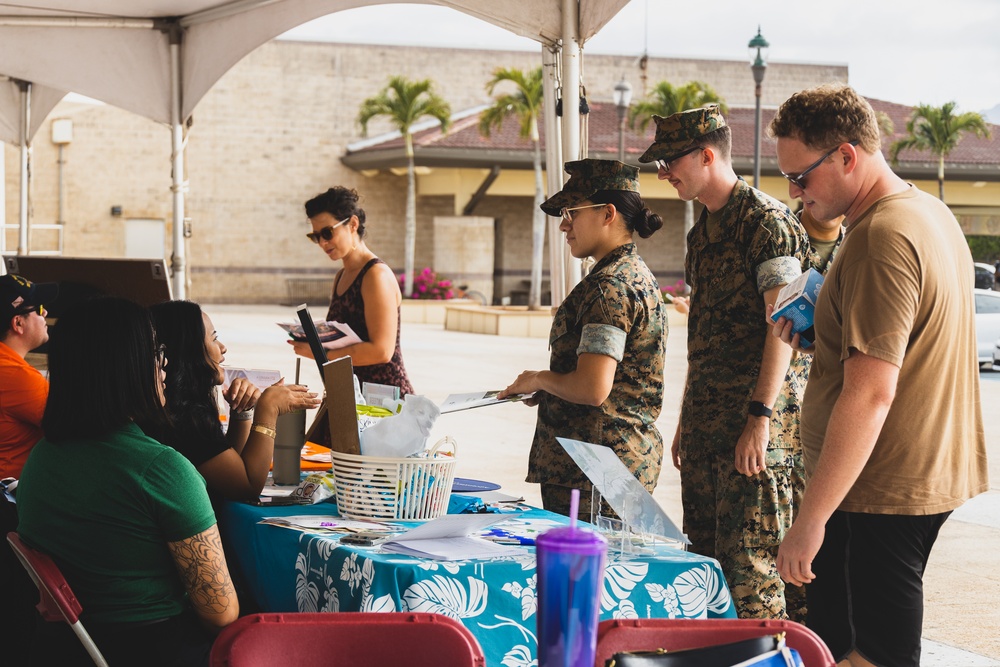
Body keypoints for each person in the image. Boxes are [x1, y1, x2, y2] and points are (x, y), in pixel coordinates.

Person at [768, 84, 988, 667]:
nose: (794, 194)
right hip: (905, 475)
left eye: (802, 177)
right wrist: (828, 335)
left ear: (846, 155)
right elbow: (904, 348)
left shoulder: (879, 239)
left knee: (871, 653)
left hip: (878, 489)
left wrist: (810, 520)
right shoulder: (927, 212)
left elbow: (871, 392)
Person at [637, 105, 809, 619]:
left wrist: (759, 419)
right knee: (706, 572)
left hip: (756, 434)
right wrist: (688, 419)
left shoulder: (766, 223)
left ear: (708, 155)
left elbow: (784, 329)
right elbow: (706, 336)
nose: (663, 173)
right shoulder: (700, 233)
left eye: (671, 161)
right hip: (712, 431)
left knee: (752, 579)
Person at [16, 296, 240, 666]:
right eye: (156, 350)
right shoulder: (163, 471)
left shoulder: (44, 456)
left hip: (68, 647)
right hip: (153, 649)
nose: (165, 363)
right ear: (126, 366)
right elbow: (221, 615)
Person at [497, 159, 667, 517]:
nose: (563, 226)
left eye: (572, 213)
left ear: (608, 213)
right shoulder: (630, 274)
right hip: (607, 465)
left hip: (596, 472)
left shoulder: (610, 287)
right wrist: (551, 387)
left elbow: (593, 388)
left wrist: (539, 378)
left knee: (586, 573)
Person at [148, 300, 321, 502]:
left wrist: (242, 411)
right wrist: (267, 410)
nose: (223, 348)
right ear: (189, 350)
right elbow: (246, 487)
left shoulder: (182, 407)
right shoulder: (183, 418)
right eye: (214, 339)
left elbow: (228, 467)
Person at [770, 206, 845, 624]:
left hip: (829, 427)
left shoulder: (859, 245)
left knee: (819, 567)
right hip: (783, 426)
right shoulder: (781, 234)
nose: (800, 190)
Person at [291, 186, 414, 399]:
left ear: (353, 224)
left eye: (327, 233)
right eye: (316, 236)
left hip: (381, 401)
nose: (322, 243)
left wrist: (321, 355)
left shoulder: (375, 275)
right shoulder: (342, 275)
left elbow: (382, 351)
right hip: (351, 394)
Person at [0, 273, 58, 663]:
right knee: (17, 611)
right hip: (10, 507)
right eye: (39, 310)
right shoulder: (17, 377)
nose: (46, 314)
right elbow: (78, 424)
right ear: (18, 323)